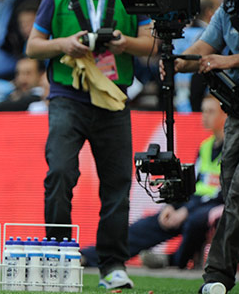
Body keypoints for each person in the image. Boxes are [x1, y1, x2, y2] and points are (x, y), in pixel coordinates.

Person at [26, 0, 155, 290]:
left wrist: (123, 44)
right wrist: (64, 43)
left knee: (116, 184)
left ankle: (112, 264)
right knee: (60, 172)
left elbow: (153, 44)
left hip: (114, 98)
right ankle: (58, 256)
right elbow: (34, 46)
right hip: (69, 96)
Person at [164, 0, 239, 294]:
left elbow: (219, 58)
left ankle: (216, 278)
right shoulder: (228, 9)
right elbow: (203, 48)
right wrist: (177, 62)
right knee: (232, 194)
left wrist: (227, 61)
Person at [81, 95, 225, 269]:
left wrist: (186, 211)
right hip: (192, 205)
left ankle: (173, 261)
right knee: (148, 225)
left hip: (215, 206)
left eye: (210, 112)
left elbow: (227, 193)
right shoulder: (205, 146)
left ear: (226, 115)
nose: (204, 116)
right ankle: (89, 257)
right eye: (203, 111)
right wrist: (173, 205)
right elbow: (190, 186)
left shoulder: (234, 149)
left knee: (196, 221)